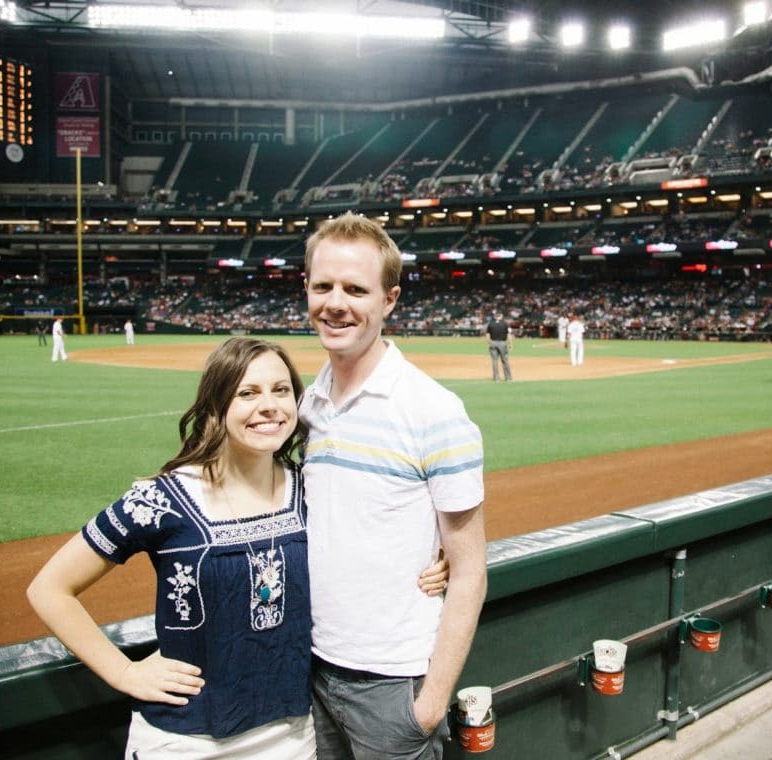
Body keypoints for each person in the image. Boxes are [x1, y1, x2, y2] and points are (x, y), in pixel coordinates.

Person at [26, 336, 452, 758]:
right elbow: (49, 588)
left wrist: (439, 561)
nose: (269, 405)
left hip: (292, 736)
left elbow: (378, 534)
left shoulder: (312, 486)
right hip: (184, 741)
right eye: (247, 392)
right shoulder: (162, 499)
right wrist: (123, 670)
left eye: (281, 390)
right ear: (217, 405)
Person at [299, 212, 487, 759]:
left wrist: (427, 707)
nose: (336, 303)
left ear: (389, 300)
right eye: (323, 286)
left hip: (392, 687)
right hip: (309, 671)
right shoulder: (306, 406)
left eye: (356, 289)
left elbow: (471, 570)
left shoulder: (434, 411)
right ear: (305, 290)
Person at [485, 311, 512, 382]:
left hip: (493, 342)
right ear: (501, 316)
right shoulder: (505, 324)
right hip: (502, 343)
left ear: (495, 316)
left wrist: (489, 343)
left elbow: (487, 335)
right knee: (505, 360)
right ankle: (508, 377)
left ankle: (496, 378)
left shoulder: (490, 324)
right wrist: (510, 344)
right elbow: (508, 335)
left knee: (494, 361)